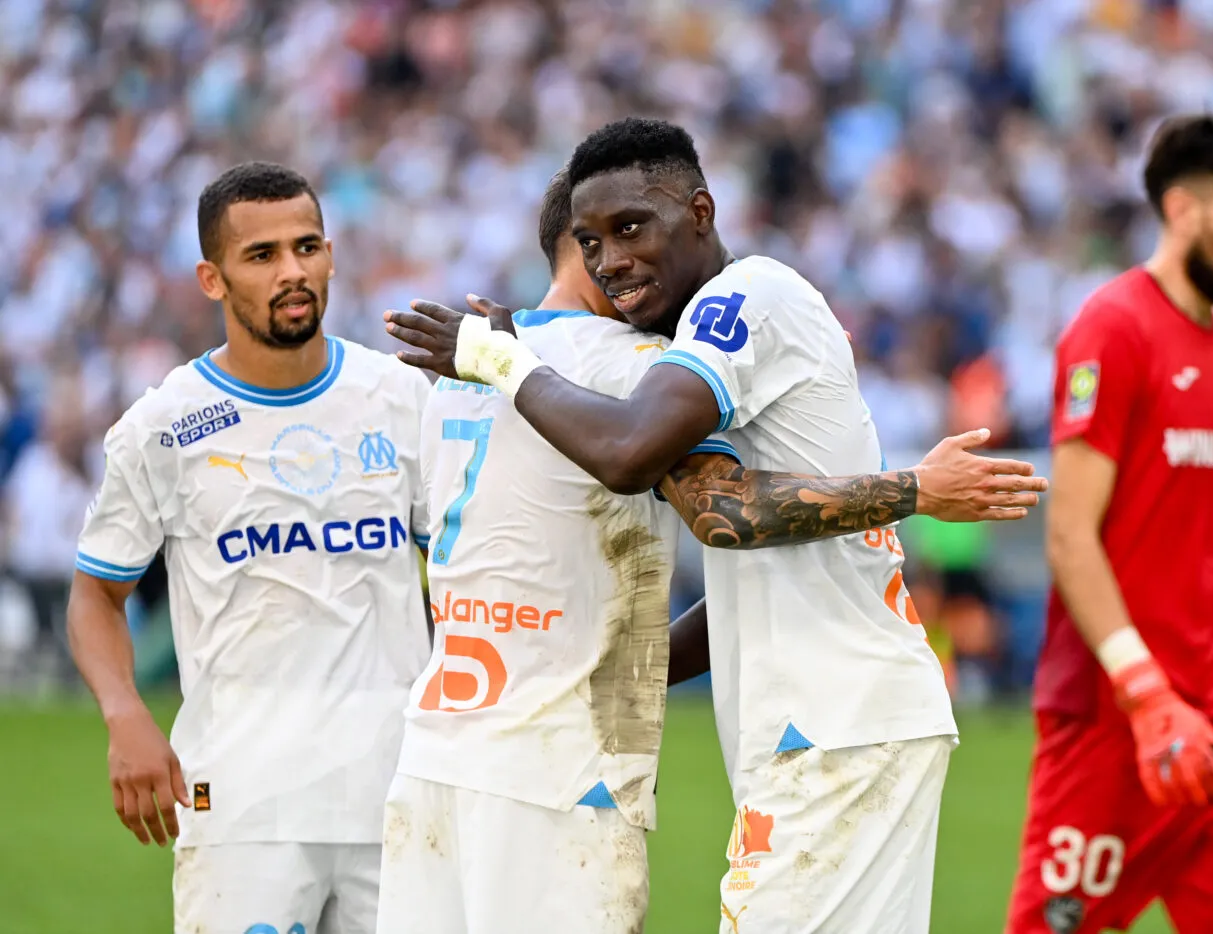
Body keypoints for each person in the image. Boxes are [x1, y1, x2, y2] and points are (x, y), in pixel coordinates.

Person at [399, 118, 1049, 933]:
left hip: (838, 722)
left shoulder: (749, 297)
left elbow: (685, 489)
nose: (612, 261)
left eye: (631, 228)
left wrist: (506, 359)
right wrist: (588, 673)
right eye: (593, 243)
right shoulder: (702, 337)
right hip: (825, 724)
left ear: (700, 212)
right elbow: (746, 570)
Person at [67, 161, 433, 934]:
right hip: (242, 804)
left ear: (331, 254)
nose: (292, 272)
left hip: (399, 798)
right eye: (261, 256)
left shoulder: (403, 400)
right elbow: (96, 593)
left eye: (307, 247)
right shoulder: (165, 425)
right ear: (212, 278)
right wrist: (124, 715)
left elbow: (463, 574)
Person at [1004, 114, 1213, 934]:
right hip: (1116, 714)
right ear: (1184, 210)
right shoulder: (1111, 330)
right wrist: (1147, 695)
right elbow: (1070, 536)